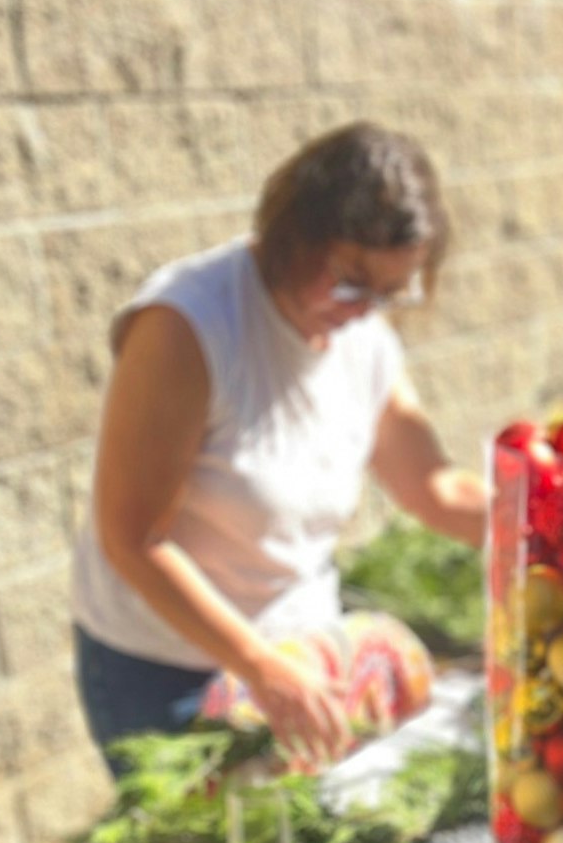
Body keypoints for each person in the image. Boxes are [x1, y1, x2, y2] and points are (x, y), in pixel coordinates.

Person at [71, 122, 486, 774]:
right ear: (295, 235)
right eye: (351, 281)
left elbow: (432, 487)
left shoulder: (362, 336)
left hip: (294, 658)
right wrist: (259, 666)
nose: (366, 310)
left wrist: (556, 527)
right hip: (168, 675)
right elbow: (133, 538)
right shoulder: (187, 326)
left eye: (390, 293)